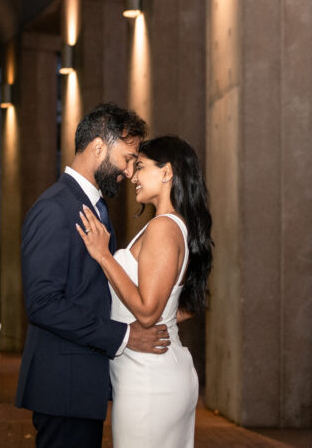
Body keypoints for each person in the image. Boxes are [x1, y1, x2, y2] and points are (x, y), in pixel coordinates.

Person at [15, 103, 171, 448]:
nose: (130, 172)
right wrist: (123, 336)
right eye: (128, 158)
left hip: (82, 387)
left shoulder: (94, 207)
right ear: (98, 147)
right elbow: (42, 304)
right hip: (63, 387)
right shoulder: (55, 208)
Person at [76, 135, 214, 448]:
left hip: (150, 381)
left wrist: (104, 255)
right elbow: (186, 304)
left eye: (140, 167)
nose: (133, 177)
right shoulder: (170, 225)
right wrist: (159, 321)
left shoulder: (163, 227)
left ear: (167, 173)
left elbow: (148, 311)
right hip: (152, 372)